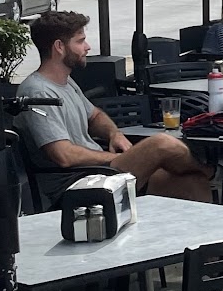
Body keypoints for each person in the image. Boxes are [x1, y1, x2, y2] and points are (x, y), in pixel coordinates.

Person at [16, 11, 213, 202]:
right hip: (76, 184)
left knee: (193, 183)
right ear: (59, 47)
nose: (87, 47)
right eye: (80, 41)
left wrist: (114, 134)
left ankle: (209, 195)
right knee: (161, 144)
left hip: (100, 171)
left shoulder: (66, 82)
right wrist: (112, 158)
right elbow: (64, 155)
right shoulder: (38, 92)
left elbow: (95, 116)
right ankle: (212, 172)